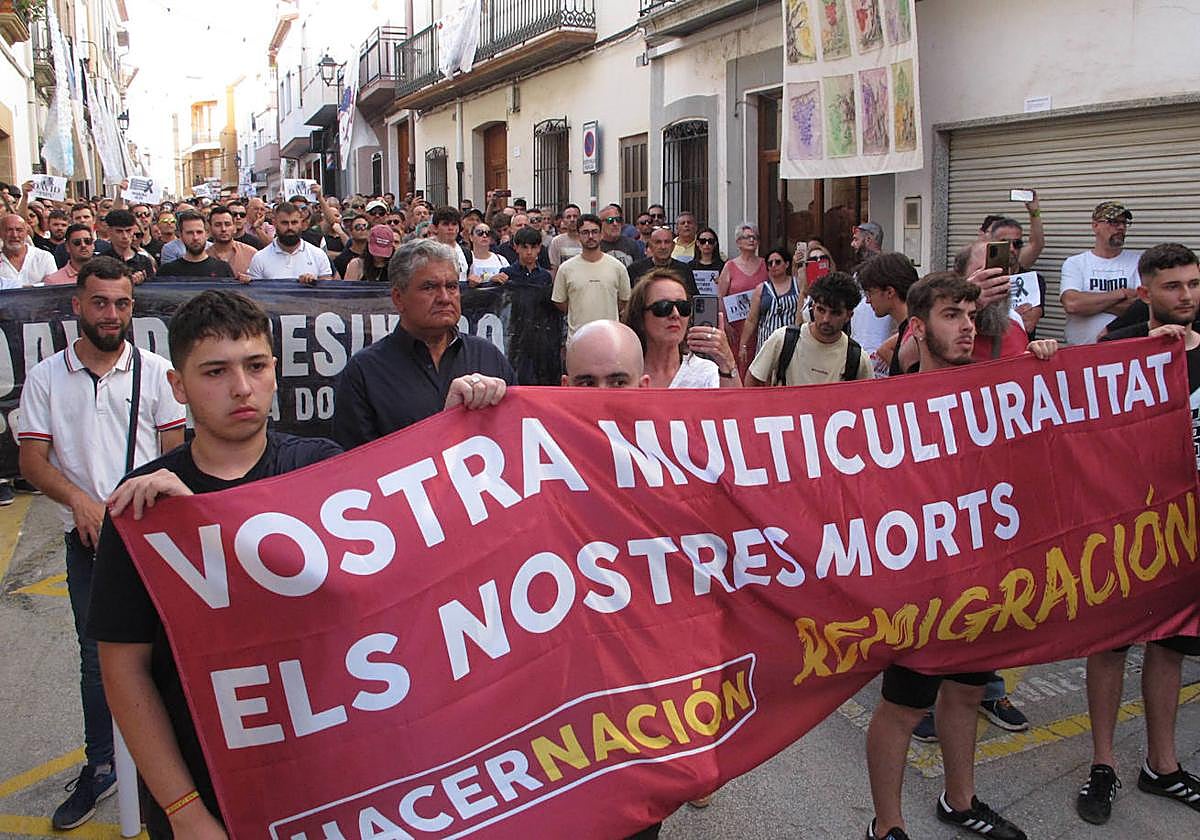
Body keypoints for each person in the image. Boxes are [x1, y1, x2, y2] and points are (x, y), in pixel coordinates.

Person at [85, 290, 341, 840]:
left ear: (275, 370)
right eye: (215, 372)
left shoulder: (322, 471)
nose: (241, 387)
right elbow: (123, 669)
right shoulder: (144, 506)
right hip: (206, 790)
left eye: (256, 366)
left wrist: (466, 421)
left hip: (332, 776)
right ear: (178, 386)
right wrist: (185, 812)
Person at [863, 272, 1058, 840]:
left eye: (971, 316)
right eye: (952, 315)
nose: (968, 327)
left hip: (982, 577)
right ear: (918, 329)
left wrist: (1047, 365)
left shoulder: (997, 388)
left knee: (969, 692)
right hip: (920, 588)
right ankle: (887, 825)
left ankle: (960, 800)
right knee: (904, 707)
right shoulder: (886, 402)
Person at [17, 256, 186, 830]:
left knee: (170, 655)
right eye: (100, 302)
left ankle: (175, 766)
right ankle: (102, 765)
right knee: (99, 663)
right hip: (88, 543)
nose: (111, 314)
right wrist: (80, 502)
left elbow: (172, 454)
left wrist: (140, 499)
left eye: (122, 303)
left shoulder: (157, 372)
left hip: (153, 541)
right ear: (77, 306)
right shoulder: (46, 378)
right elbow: (32, 461)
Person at [1075, 242, 1200, 826]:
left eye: (1194, 283)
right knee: (1110, 646)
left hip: (1188, 531)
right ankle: (1103, 763)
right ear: (1145, 292)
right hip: (1125, 527)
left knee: (1171, 645)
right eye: (1173, 286)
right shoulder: (1116, 352)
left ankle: (1162, 764)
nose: (1187, 296)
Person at [332, 238, 515, 449]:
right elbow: (355, 463)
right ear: (398, 298)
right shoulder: (364, 372)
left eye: (452, 286)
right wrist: (445, 422)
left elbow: (516, 438)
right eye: (429, 287)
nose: (445, 298)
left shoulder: (487, 356)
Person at [746, 271, 873, 387]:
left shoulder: (857, 357)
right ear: (813, 307)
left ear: (849, 316)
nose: (826, 319)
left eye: (835, 313)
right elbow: (754, 378)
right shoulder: (783, 339)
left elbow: (869, 397)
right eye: (821, 310)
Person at [624, 270, 739, 389]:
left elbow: (736, 401)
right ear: (640, 316)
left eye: (683, 307)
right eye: (663, 307)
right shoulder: (622, 374)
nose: (675, 314)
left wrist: (727, 361)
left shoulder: (706, 373)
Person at [1060, 201, 1142, 345]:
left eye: (1124, 223)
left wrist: (1089, 304)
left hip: (1124, 349)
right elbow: (1073, 304)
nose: (1121, 227)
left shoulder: (1137, 262)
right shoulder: (1075, 263)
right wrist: (1121, 293)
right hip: (1081, 349)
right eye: (1114, 222)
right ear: (1095, 226)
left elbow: (1140, 309)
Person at [498, 226, 564, 385]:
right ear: (516, 248)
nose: (529, 252)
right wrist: (493, 281)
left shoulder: (545, 277)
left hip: (540, 336)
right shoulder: (507, 273)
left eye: (533, 247)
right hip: (515, 334)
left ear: (539, 248)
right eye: (525, 247)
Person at [552, 213, 632, 337]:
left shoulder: (617, 267)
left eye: (594, 232)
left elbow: (624, 300)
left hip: (609, 337)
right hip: (577, 338)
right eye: (585, 232)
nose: (590, 236)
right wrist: (577, 308)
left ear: (601, 235)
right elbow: (560, 302)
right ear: (578, 236)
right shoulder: (566, 269)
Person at [716, 223, 767, 376]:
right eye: (747, 237)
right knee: (737, 367)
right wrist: (725, 324)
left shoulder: (766, 264)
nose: (752, 240)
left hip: (760, 326)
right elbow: (720, 297)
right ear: (738, 242)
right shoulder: (730, 266)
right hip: (735, 329)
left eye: (755, 237)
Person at [859, 253, 919, 376]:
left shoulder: (915, 336)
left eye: (870, 293)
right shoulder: (910, 330)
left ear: (889, 292)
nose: (868, 301)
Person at [739, 247, 800, 366]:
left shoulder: (798, 284)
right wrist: (743, 345)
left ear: (787, 264)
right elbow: (751, 320)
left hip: (793, 342)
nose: (773, 266)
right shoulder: (761, 289)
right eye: (770, 263)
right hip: (767, 342)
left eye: (778, 262)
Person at [247, 202, 333, 284]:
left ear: (301, 223)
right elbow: (255, 291)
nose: (290, 227)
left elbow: (327, 289)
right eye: (284, 223)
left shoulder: (318, 255)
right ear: (274, 223)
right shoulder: (259, 258)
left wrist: (314, 283)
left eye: (294, 222)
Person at [989, 217, 1045, 337]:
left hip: (1021, 345)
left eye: (1017, 244)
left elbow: (1028, 325)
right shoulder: (982, 279)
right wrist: (1015, 315)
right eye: (1004, 243)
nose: (1011, 249)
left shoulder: (1034, 280)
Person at [626, 226, 699, 297]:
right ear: (650, 246)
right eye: (658, 242)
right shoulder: (635, 269)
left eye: (667, 242)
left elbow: (692, 298)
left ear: (673, 246)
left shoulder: (684, 270)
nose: (663, 247)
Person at [160, 211, 235, 279]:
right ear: (181, 235)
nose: (195, 238)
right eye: (189, 233)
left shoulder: (223, 269)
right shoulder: (167, 271)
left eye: (199, 232)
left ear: (207, 234)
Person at [0, 213, 56, 287]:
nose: (14, 235)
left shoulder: (44, 257)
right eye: (9, 230)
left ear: (26, 233)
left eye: (19, 230)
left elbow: (53, 286)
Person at [104, 209, 157, 285]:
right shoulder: (101, 261)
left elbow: (153, 288)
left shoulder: (144, 261)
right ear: (109, 232)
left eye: (128, 231)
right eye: (119, 231)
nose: (125, 236)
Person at [206, 205, 257, 281]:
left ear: (234, 228)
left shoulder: (252, 254)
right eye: (218, 225)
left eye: (227, 224)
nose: (223, 229)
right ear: (210, 228)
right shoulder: (204, 256)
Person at [432, 205, 470, 282]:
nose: (450, 228)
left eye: (454, 224)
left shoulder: (466, 253)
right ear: (435, 228)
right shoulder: (428, 252)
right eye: (445, 224)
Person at [549, 203, 583, 276]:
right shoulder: (556, 241)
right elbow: (554, 267)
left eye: (575, 216)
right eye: (568, 217)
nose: (572, 220)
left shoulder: (587, 239)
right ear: (563, 220)